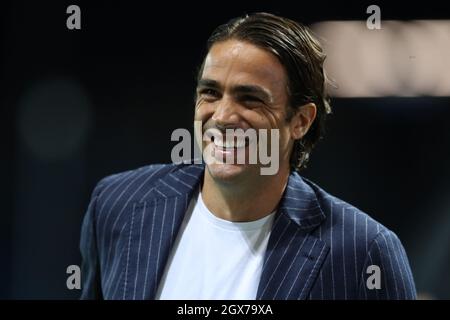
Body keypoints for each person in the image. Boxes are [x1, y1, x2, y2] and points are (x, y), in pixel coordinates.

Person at [80, 12, 416, 300]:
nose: (223, 115)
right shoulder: (117, 204)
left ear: (300, 120)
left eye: (250, 99)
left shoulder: (363, 251)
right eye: (210, 92)